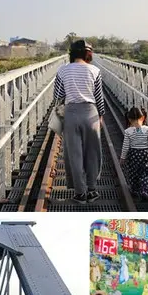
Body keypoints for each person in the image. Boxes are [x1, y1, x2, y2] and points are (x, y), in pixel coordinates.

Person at [53, 39, 104, 204]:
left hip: (71, 114)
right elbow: (99, 97)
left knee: (74, 155)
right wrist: (100, 115)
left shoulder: (63, 71)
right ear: (88, 53)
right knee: (93, 153)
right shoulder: (95, 70)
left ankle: (80, 193)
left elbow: (58, 95)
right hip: (91, 113)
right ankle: (92, 190)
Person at [120, 107, 148, 200]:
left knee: (133, 172)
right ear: (142, 118)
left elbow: (126, 146)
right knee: (145, 171)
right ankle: (144, 189)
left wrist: (123, 158)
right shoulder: (147, 129)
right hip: (145, 153)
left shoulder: (128, 131)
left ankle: (134, 189)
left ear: (129, 119)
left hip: (133, 154)